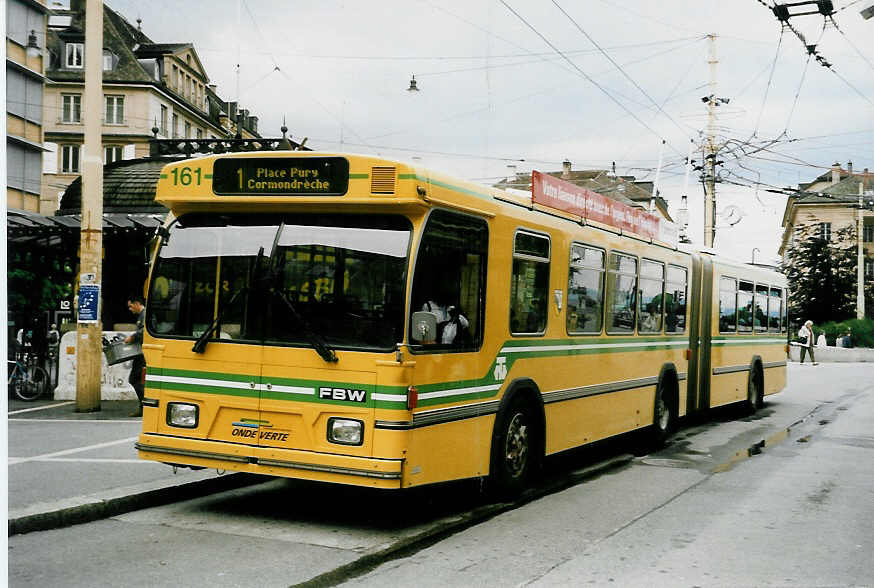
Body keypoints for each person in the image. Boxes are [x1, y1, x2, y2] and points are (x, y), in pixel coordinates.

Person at [124, 295, 147, 416]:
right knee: (136, 380)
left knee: (135, 379)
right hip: (140, 353)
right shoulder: (141, 316)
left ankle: (144, 408)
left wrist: (132, 337)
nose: (130, 309)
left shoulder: (145, 315)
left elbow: (145, 331)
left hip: (143, 354)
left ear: (137, 303)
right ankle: (143, 407)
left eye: (131, 306)